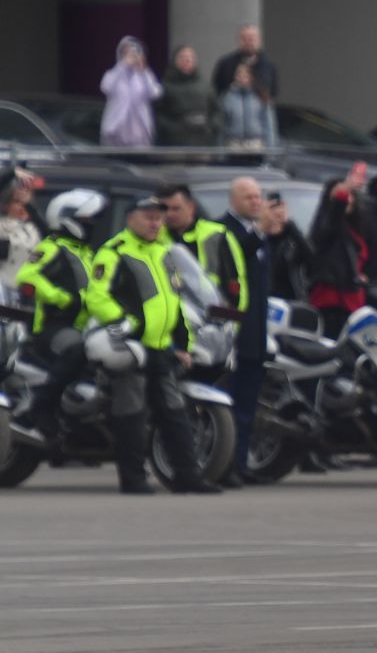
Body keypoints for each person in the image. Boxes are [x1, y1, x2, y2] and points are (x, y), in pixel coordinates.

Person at [82, 196, 220, 495]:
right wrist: (125, 323)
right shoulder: (114, 252)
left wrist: (184, 342)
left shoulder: (164, 252)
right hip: (131, 348)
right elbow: (96, 297)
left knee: (175, 411)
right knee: (131, 413)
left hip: (162, 348)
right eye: (148, 217)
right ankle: (133, 479)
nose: (155, 222)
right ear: (131, 218)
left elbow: (176, 303)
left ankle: (187, 477)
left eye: (159, 217)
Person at [11, 189, 105, 440]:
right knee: (79, 350)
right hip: (53, 326)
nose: (92, 225)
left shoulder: (86, 252)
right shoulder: (52, 248)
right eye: (86, 221)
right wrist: (58, 297)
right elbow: (27, 277)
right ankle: (41, 407)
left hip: (87, 325)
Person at [217, 177, 272, 488]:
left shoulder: (259, 233)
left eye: (258, 196)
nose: (256, 202)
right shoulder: (225, 230)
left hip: (257, 333)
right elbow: (232, 258)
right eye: (249, 197)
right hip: (234, 333)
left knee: (248, 407)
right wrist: (259, 231)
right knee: (230, 405)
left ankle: (240, 463)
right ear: (233, 200)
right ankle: (224, 466)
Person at [307, 171, 369, 337]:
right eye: (341, 195)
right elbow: (333, 218)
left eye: (350, 194)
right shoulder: (326, 225)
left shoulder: (355, 228)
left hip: (353, 300)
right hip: (332, 300)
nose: (347, 198)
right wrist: (344, 190)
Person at [157, 184, 242, 301]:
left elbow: (236, 278)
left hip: (212, 311)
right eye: (165, 209)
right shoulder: (156, 237)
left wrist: (235, 314)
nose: (169, 214)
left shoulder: (217, 235)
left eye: (176, 208)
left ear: (191, 207)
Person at [100, 37, 162, 148]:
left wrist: (144, 71)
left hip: (140, 133)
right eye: (127, 53)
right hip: (115, 131)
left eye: (134, 53)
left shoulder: (144, 75)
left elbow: (155, 93)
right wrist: (122, 65)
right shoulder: (114, 73)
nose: (132, 56)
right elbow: (105, 87)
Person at [156, 45, 217, 147]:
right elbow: (157, 113)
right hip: (173, 143)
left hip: (202, 142)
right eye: (182, 57)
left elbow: (216, 110)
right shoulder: (165, 86)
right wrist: (172, 129)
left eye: (190, 57)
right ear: (174, 61)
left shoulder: (206, 86)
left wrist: (212, 127)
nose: (187, 60)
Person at [262, 192, 313, 302]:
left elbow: (311, 258)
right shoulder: (259, 239)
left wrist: (289, 224)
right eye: (271, 214)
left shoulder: (292, 239)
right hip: (265, 300)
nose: (274, 219)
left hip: (291, 300)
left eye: (278, 215)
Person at [1, 170, 44, 298]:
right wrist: (11, 172)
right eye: (17, 202)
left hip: (30, 291)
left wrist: (30, 206)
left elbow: (49, 236)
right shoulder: (1, 225)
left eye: (25, 203)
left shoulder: (36, 228)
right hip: (4, 288)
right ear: (6, 205)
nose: (22, 207)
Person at [219, 61, 278, 150]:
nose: (242, 78)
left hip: (256, 144)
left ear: (251, 77)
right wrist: (221, 148)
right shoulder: (228, 97)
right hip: (234, 144)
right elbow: (222, 124)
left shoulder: (261, 96)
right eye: (239, 74)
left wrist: (271, 149)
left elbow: (269, 125)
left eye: (245, 75)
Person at [212, 24, 279, 99]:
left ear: (259, 41)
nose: (248, 42)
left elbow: (272, 93)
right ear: (238, 40)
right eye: (244, 38)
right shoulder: (225, 64)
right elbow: (216, 89)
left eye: (251, 39)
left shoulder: (268, 67)